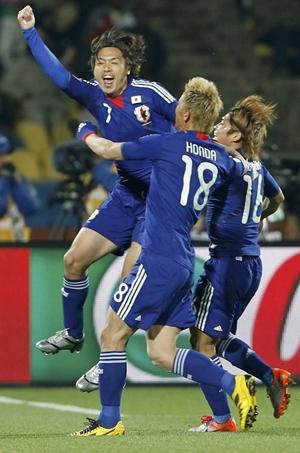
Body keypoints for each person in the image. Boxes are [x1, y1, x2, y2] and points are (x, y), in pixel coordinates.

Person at [70, 77, 257, 436]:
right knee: (161, 351)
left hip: (157, 256)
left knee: (113, 335)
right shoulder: (221, 157)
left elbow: (109, 151)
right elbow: (242, 168)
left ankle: (109, 422)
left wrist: (85, 133)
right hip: (185, 259)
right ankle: (231, 386)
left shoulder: (166, 144)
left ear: (183, 114)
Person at [17, 5, 177, 353]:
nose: (106, 68)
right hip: (126, 194)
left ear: (128, 67)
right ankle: (73, 333)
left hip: (159, 203)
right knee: (73, 260)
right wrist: (31, 31)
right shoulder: (93, 95)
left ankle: (107, 363)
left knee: (126, 287)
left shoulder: (151, 93)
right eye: (100, 61)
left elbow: (190, 122)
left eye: (114, 61)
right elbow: (59, 76)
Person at [188, 95, 291, 433]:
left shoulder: (224, 160)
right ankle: (269, 375)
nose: (217, 126)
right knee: (217, 339)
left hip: (227, 264)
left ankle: (221, 419)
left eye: (224, 125)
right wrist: (256, 217)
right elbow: (278, 199)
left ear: (235, 138)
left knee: (201, 345)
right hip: (250, 263)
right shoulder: (258, 166)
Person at [0, 133, 40, 241]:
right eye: (0, 154)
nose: (5, 158)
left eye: (6, 153)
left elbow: (31, 207)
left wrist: (16, 182)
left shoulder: (13, 176)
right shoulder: (5, 179)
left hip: (15, 242)